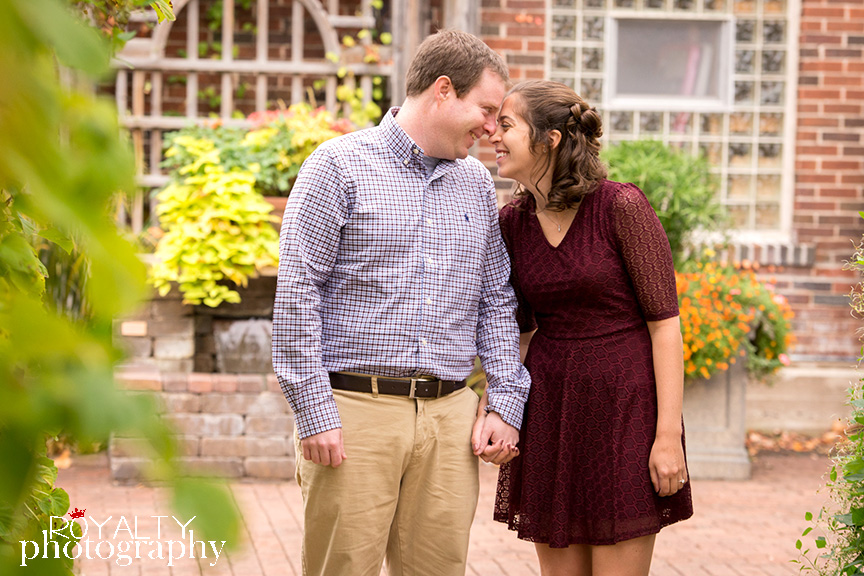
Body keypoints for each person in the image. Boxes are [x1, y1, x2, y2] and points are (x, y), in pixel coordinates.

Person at [272, 30, 530, 576]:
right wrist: (314, 412)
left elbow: (494, 299)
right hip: (354, 414)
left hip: (449, 420)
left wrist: (505, 401)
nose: (492, 129)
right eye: (486, 110)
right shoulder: (336, 166)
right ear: (443, 90)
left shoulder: (476, 184)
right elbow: (297, 296)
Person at [484, 80, 693, 576]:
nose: (493, 134)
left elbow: (665, 326)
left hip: (624, 413)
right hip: (551, 414)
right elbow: (514, 331)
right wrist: (498, 409)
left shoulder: (621, 207)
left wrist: (667, 436)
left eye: (507, 125)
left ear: (550, 139)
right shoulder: (513, 223)